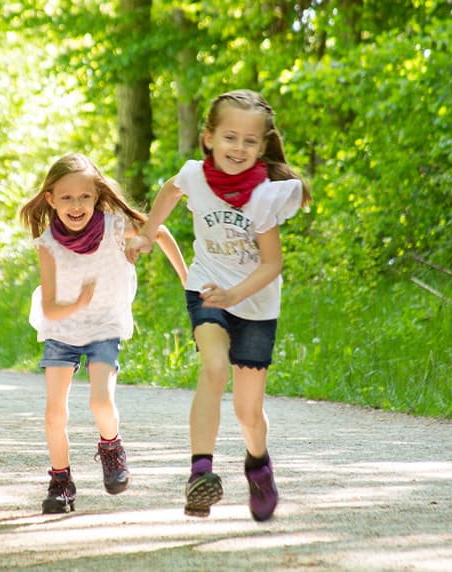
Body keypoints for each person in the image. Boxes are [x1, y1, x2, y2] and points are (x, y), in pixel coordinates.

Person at [126, 89, 311, 522]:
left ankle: (258, 464)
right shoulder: (194, 175)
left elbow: (272, 264)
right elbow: (169, 193)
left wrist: (237, 295)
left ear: (262, 147)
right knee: (213, 367)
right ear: (208, 137)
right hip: (207, 288)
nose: (239, 148)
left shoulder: (264, 196)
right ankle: (200, 474)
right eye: (230, 137)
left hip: (257, 305)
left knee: (249, 412)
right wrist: (148, 234)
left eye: (250, 142)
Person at [19, 153, 187, 514]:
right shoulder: (48, 244)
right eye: (66, 198)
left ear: (96, 197)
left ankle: (111, 447)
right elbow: (48, 307)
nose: (76, 205)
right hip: (62, 328)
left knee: (100, 401)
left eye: (85, 197)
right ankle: (61, 482)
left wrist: (188, 281)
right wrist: (77, 303)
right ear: (50, 199)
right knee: (53, 413)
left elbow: (160, 232)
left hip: (104, 326)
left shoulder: (114, 226)